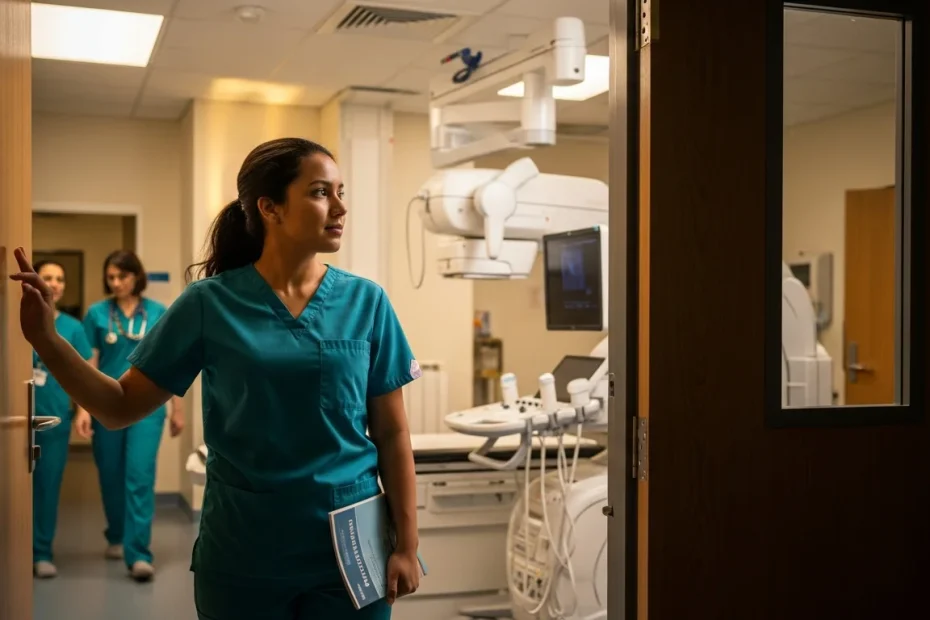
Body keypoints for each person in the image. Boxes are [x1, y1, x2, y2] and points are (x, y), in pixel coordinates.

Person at [12, 137, 421, 619]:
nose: (340, 206)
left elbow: (393, 433)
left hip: (351, 549)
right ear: (269, 208)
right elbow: (120, 406)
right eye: (320, 192)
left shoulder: (366, 303)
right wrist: (46, 339)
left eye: (340, 191)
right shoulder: (209, 304)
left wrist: (407, 544)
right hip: (246, 551)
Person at [72, 250, 185, 582]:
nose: (116, 282)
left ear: (137, 276)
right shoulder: (96, 314)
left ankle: (138, 553)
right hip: (105, 405)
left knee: (139, 475)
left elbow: (172, 365)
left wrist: (177, 411)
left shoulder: (159, 313)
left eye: (122, 276)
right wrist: (83, 408)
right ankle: (117, 534)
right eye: (111, 277)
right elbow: (87, 365)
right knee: (110, 473)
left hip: (148, 408)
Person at [31, 260, 94, 579]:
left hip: (54, 419)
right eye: (47, 277)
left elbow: (85, 374)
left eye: (59, 279)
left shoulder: (72, 327)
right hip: (16, 420)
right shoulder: (17, 319)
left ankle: (41, 551)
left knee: (47, 487)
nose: (54, 284)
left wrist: (83, 410)